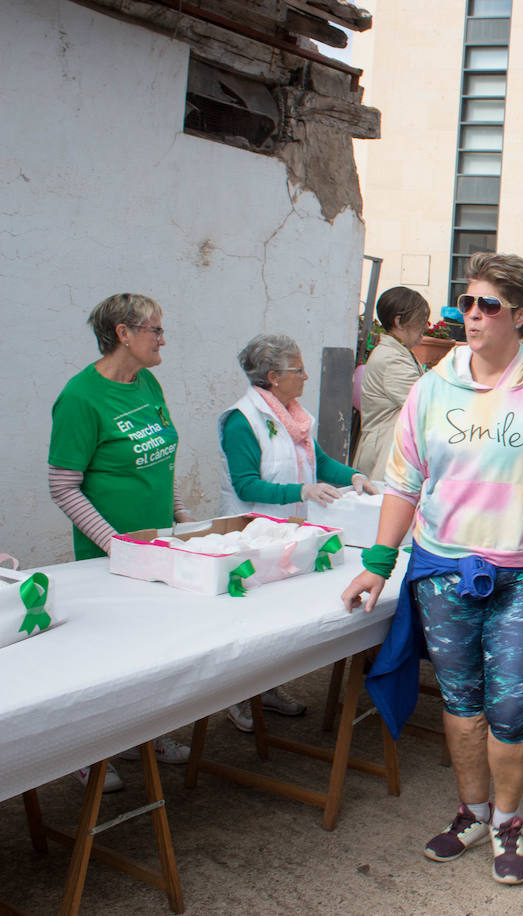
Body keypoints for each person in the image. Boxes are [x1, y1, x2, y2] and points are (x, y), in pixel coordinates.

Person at [343, 252, 523, 886]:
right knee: (462, 704)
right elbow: (404, 482)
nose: (471, 315)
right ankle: (472, 810)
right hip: (443, 569)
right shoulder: (432, 387)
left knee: (514, 707)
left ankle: (508, 821)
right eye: (466, 303)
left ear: (521, 315)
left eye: (487, 305)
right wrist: (379, 563)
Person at [50, 293, 194, 790]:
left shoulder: (148, 382)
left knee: (151, 650)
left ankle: (143, 736)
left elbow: (163, 455)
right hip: (109, 557)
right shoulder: (80, 397)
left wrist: (180, 519)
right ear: (123, 334)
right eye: (154, 329)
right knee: (102, 658)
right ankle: (86, 752)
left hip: (158, 547)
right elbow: (62, 485)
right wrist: (114, 544)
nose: (162, 338)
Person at [219, 333, 377, 731]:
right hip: (253, 538)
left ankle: (267, 691)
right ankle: (236, 699)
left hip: (288, 536)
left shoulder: (292, 416)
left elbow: (319, 461)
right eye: (298, 369)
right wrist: (301, 490)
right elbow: (245, 485)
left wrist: (355, 476)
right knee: (248, 625)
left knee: (276, 624)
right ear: (273, 376)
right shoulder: (243, 420)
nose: (306, 376)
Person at [356, 286, 428, 481]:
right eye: (422, 320)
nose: (426, 327)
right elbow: (424, 403)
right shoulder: (392, 359)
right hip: (385, 451)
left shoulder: (397, 352)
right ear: (399, 321)